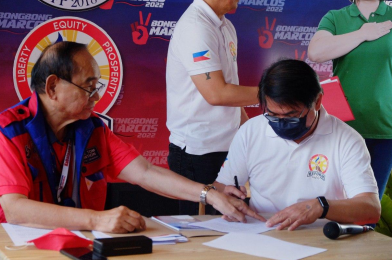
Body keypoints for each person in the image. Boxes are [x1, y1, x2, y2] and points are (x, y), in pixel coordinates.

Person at [0, 41, 262, 259]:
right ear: (52, 87)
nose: (97, 96)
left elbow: (145, 172)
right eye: (89, 87)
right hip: (4, 250)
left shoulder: (91, 128)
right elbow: (15, 210)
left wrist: (210, 194)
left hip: (68, 245)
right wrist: (98, 219)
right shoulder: (7, 131)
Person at [214, 59, 381, 230]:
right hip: (262, 231)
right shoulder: (251, 131)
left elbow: (371, 208)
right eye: (272, 115)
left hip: (323, 237)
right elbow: (222, 187)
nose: (281, 123)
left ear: (317, 101)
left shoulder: (346, 140)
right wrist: (225, 196)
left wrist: (321, 207)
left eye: (291, 116)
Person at [166, 0, 259, 215]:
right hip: (198, 153)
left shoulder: (224, 25)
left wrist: (249, 135)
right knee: (199, 237)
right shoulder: (196, 26)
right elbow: (216, 93)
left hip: (225, 150)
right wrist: (275, 94)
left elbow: (230, 93)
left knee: (229, 229)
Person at [308, 0, 392, 200]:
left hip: (385, 128)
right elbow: (316, 52)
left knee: (368, 207)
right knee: (336, 202)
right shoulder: (336, 17)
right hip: (341, 127)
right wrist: (364, 33)